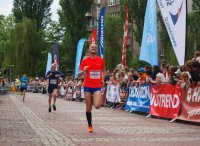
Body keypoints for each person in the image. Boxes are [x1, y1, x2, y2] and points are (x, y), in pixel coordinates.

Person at [78, 43, 105, 133]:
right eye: (92, 47)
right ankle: (90, 125)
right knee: (88, 107)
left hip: (97, 86)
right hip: (88, 86)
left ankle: (94, 98)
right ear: (89, 50)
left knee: (97, 106)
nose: (94, 48)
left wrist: (103, 79)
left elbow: (103, 71)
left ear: (97, 50)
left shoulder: (101, 60)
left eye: (95, 47)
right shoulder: (85, 61)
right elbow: (78, 75)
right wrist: (84, 70)